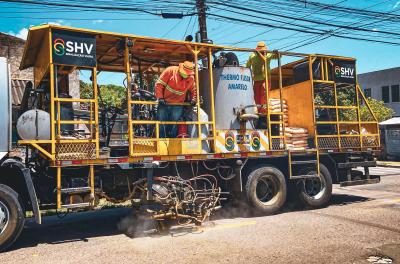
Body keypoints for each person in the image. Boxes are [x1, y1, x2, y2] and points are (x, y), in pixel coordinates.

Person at [155, 61, 197, 138]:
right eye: (184, 73)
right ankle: (160, 141)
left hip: (178, 105)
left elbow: (194, 90)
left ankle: (173, 142)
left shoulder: (191, 78)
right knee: (161, 124)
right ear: (180, 68)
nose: (185, 75)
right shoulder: (170, 71)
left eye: (187, 74)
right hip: (164, 103)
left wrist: (193, 99)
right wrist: (160, 98)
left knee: (174, 125)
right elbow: (159, 84)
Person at [246, 41, 277, 114]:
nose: (263, 52)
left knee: (264, 96)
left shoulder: (268, 55)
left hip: (265, 79)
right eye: (262, 51)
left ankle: (264, 112)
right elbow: (247, 66)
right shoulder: (252, 56)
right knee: (256, 97)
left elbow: (277, 56)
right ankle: (259, 112)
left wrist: (276, 53)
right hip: (256, 80)